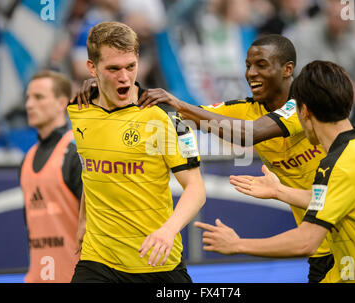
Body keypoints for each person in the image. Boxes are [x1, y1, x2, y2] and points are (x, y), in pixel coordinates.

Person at [73, 34, 335, 283]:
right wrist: (104, 92)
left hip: (349, 232)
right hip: (321, 244)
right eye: (248, 66)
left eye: (261, 65)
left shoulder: (302, 105)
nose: (251, 73)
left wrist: (178, 104)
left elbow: (249, 134)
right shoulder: (246, 109)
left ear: (287, 69)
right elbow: (181, 116)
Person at [198, 60, 355, 283]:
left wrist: (237, 244)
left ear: (305, 110)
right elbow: (337, 198)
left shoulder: (339, 165)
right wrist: (280, 192)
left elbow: (306, 240)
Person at [67, 21, 206, 283]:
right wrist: (83, 220)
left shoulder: (162, 118)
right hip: (98, 260)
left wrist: (168, 231)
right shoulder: (79, 111)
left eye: (130, 66)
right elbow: (93, 168)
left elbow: (196, 189)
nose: (124, 77)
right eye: (113, 69)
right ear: (92, 68)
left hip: (156, 263)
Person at [20, 70, 82, 283]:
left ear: (61, 103)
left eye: (39, 97)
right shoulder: (27, 158)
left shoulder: (75, 152)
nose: (29, 105)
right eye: (28, 98)